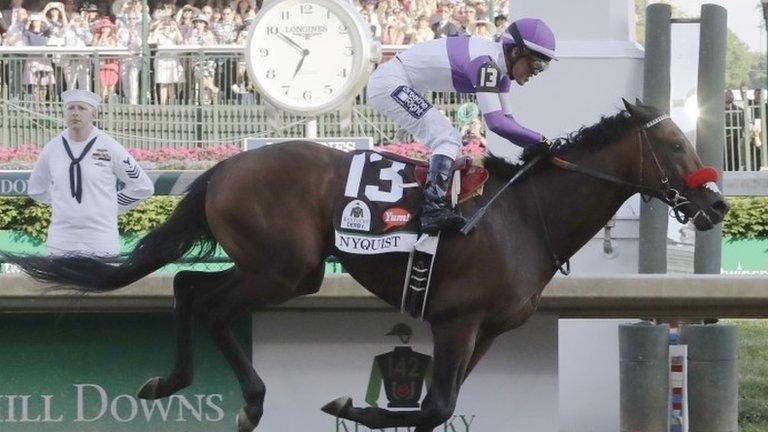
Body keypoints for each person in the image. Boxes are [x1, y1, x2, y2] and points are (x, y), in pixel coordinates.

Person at [367, 18, 557, 234]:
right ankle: (432, 209)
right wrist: (542, 141)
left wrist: (538, 145)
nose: (537, 72)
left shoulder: (500, 72)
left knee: (450, 139)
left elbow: (509, 124)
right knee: (447, 137)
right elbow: (496, 124)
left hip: (399, 81)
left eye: (544, 66)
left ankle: (436, 204)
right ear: (515, 52)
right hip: (389, 82)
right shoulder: (486, 64)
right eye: (537, 63)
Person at [28, 89, 154, 256]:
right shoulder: (52, 148)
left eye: (81, 108)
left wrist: (110, 206)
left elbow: (142, 187)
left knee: (101, 283)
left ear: (93, 114)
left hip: (101, 239)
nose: (75, 113)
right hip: (61, 239)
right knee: (62, 283)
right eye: (70, 108)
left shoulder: (109, 146)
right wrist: (63, 202)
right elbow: (36, 189)